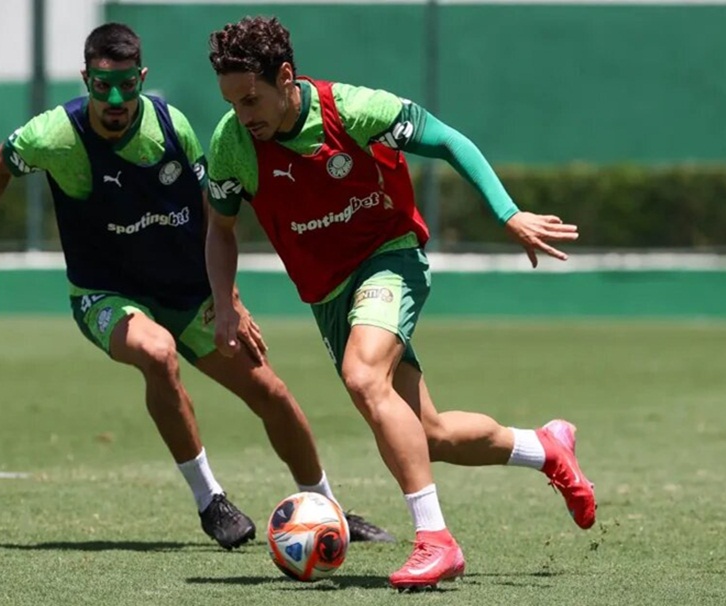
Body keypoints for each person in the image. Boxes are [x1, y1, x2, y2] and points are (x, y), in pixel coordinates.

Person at [0, 22, 393, 551]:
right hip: (106, 293)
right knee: (158, 352)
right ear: (86, 79)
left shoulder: (170, 126)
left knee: (272, 394)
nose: (115, 100)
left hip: (189, 292)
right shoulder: (56, 135)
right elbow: (1, 162)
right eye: (102, 86)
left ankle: (328, 510)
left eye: (126, 85)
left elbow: (215, 210)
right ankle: (211, 501)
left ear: (141, 78)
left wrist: (228, 299)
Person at [205, 16, 597, 590]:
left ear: (285, 77)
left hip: (390, 258)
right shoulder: (231, 144)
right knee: (428, 434)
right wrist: (225, 302)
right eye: (232, 103)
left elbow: (449, 140)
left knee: (364, 376)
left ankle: (436, 540)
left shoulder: (353, 110)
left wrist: (507, 213)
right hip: (328, 294)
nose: (243, 115)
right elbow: (220, 230)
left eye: (250, 99)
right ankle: (544, 447)